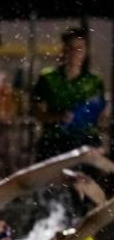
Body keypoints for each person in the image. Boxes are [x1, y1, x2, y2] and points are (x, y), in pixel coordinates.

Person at [32, 28, 108, 161]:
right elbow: (36, 111)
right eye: (70, 48)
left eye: (79, 48)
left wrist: (99, 114)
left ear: (85, 52)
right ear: (63, 50)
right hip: (54, 143)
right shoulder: (48, 78)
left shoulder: (94, 81)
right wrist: (58, 117)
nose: (74, 53)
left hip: (85, 143)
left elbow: (101, 115)